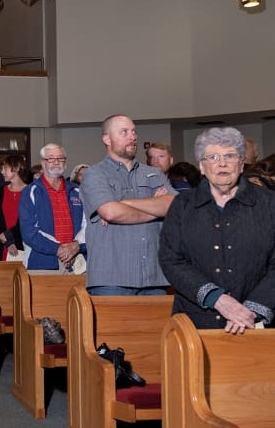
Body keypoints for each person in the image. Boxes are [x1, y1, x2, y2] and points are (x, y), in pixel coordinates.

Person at [159, 127, 275, 331]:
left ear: (241, 164)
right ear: (202, 167)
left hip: (256, 323)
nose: (222, 163)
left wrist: (250, 312)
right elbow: (171, 259)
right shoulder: (183, 205)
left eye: (230, 156)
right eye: (212, 157)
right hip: (195, 323)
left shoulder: (269, 203)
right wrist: (217, 299)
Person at [79, 114, 176, 295]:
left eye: (133, 132)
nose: (132, 137)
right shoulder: (95, 174)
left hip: (154, 277)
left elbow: (174, 206)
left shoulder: (154, 174)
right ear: (107, 139)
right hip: (112, 279)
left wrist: (124, 203)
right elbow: (111, 212)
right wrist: (156, 208)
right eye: (124, 132)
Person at [18, 144, 86, 270]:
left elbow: (89, 224)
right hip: (42, 264)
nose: (56, 163)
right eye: (51, 159)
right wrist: (59, 249)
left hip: (77, 263)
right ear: (42, 163)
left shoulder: (77, 191)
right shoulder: (30, 192)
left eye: (60, 159)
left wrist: (76, 246)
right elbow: (29, 232)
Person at [0, 155, 31, 261]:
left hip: (22, 244)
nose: (2, 172)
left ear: (17, 168)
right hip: (1, 244)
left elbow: (27, 221)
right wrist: (6, 241)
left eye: (5, 168)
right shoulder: (0, 191)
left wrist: (9, 236)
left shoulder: (31, 192)